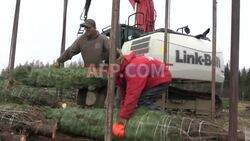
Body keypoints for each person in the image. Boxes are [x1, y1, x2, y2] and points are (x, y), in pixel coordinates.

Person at [112, 52, 172, 139]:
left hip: (161, 79)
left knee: (143, 101)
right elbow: (124, 91)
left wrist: (122, 119)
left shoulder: (134, 68)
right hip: (150, 79)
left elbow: (133, 95)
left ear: (120, 60)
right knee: (137, 103)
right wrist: (123, 109)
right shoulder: (120, 69)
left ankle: (163, 122)